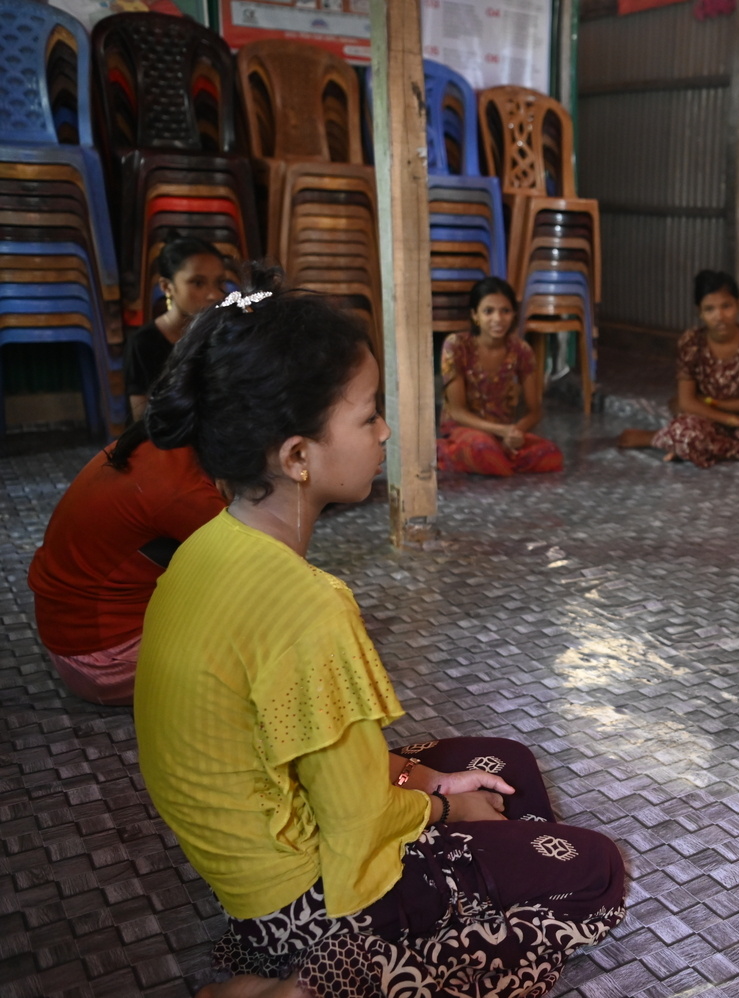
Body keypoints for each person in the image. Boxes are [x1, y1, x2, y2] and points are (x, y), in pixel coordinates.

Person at [133, 276, 625, 998]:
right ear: (298, 456)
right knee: (595, 870)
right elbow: (360, 827)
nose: (387, 432)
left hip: (260, 871)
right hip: (315, 899)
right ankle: (311, 983)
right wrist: (446, 807)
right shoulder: (308, 605)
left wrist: (429, 781)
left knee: (505, 762)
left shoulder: (205, 547)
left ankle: (454, 878)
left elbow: (307, 755)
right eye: (369, 418)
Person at [26, 422, 226, 705]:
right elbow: (274, 573)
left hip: (71, 635)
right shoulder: (186, 491)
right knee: (272, 638)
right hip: (101, 661)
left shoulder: (161, 441)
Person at [616, 270, 739, 471]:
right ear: (699, 312)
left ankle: (679, 443)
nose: (719, 316)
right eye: (709, 309)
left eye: (726, 306)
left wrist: (711, 402)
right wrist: (735, 419)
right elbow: (688, 402)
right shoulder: (691, 342)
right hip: (704, 421)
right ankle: (663, 439)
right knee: (689, 435)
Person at [437, 277, 563, 477]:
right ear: (475, 315)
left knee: (551, 454)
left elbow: (535, 411)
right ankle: (444, 452)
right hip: (464, 430)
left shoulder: (521, 350)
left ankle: (497, 459)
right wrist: (501, 430)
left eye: (505, 311)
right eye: (488, 311)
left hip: (503, 435)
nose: (498, 319)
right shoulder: (456, 346)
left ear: (514, 315)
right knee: (483, 448)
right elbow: (457, 411)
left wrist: (514, 433)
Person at [124, 236, 227, 420]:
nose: (214, 294)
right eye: (198, 283)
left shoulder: (226, 333)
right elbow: (143, 418)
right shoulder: (144, 343)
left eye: (219, 282)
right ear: (166, 287)